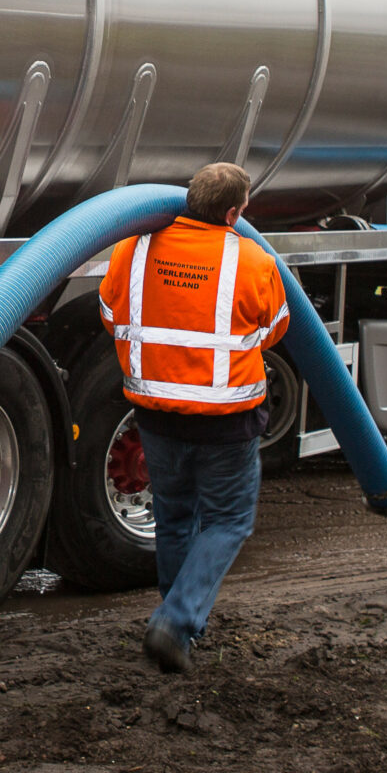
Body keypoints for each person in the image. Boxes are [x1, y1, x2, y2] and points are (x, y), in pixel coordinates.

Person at [97, 161, 290, 673]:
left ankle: (177, 627)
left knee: (176, 517)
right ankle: (175, 620)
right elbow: (273, 329)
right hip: (226, 421)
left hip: (156, 415)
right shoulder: (253, 260)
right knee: (227, 521)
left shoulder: (134, 249)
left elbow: (111, 315)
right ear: (233, 212)